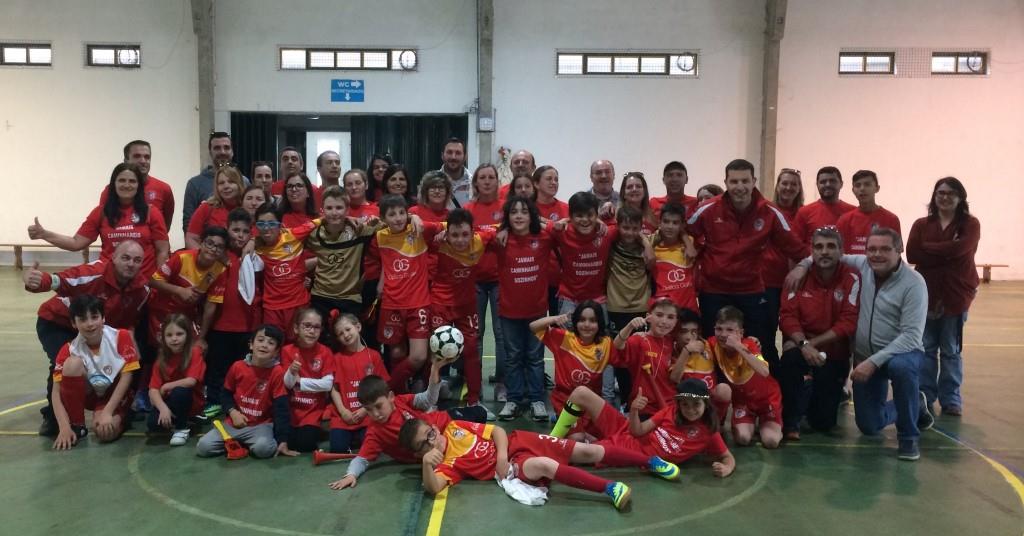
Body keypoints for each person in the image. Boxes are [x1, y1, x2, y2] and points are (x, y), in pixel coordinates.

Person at [787, 227, 931, 460]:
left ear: (900, 249)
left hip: (900, 354)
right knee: (869, 426)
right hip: (865, 357)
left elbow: (912, 336)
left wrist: (872, 362)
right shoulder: (863, 265)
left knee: (901, 369)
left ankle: (908, 438)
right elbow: (827, 254)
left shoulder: (914, 284)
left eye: (885, 249)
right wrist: (802, 266)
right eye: (871, 249)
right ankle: (917, 404)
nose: (877, 255)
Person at [686, 159, 807, 371]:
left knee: (763, 347)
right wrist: (690, 244)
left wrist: (802, 267)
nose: (739, 187)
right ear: (725, 182)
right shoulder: (707, 209)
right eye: (734, 181)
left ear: (754, 181)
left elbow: (798, 249)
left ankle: (771, 400)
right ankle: (716, 399)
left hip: (752, 291)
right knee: (713, 347)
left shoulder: (770, 212)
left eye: (745, 181)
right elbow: (683, 230)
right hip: (714, 291)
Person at [400, 419, 677, 510]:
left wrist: (500, 455)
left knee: (589, 451)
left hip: (518, 442)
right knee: (543, 465)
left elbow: (496, 431)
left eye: (430, 434)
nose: (432, 443)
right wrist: (427, 465)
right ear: (418, 454)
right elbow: (434, 487)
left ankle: (650, 461)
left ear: (434, 427)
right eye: (423, 445)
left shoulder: (453, 427)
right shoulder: (445, 465)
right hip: (515, 466)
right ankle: (610, 489)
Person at [25, 240, 149, 436]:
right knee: (65, 363)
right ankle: (55, 418)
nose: (130, 264)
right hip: (58, 322)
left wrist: (130, 336)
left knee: (130, 361)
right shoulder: (94, 273)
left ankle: (121, 408)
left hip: (92, 326)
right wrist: (40, 281)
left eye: (137, 260)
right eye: (125, 258)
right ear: (113, 257)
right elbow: (62, 280)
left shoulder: (141, 290)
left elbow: (131, 317)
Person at [549, 379, 736, 477]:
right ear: (678, 404)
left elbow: (728, 457)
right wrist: (635, 411)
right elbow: (637, 431)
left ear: (706, 405)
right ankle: (550, 439)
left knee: (573, 451)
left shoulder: (708, 431)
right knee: (581, 393)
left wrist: (727, 468)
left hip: (628, 452)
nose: (690, 410)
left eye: (696, 405)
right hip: (627, 430)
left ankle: (548, 447)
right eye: (685, 405)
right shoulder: (671, 412)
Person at [907, 177, 980, 417]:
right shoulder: (921, 224)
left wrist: (930, 248)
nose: (945, 197)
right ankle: (926, 395)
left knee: (950, 349)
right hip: (926, 293)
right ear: (934, 196)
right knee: (926, 347)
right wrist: (949, 248)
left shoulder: (970, 224)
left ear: (960, 197)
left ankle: (951, 399)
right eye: (940, 192)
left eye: (951, 193)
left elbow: (962, 250)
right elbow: (912, 253)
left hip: (956, 294)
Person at [777, 227, 859, 440]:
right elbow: (787, 317)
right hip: (800, 348)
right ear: (811, 251)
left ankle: (813, 399)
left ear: (841, 251)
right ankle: (791, 421)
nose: (824, 252)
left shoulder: (852, 277)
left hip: (833, 354)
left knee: (823, 423)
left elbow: (848, 322)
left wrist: (810, 344)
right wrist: (803, 345)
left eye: (831, 247)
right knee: (790, 358)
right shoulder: (796, 277)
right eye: (819, 247)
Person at [29, 162, 170, 278]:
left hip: (142, 282)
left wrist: (159, 281)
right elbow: (76, 243)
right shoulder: (101, 212)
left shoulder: (151, 212)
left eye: (132, 181)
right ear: (113, 184)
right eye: (121, 180)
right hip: (109, 281)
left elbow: (163, 250)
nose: (127, 185)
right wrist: (44, 234)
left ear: (138, 186)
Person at [326, 368, 453, 491]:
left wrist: (435, 370)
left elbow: (427, 400)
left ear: (391, 397)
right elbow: (362, 459)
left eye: (378, 406)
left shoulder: (399, 401)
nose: (375, 414)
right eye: (368, 409)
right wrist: (351, 475)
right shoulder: (375, 433)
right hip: (440, 448)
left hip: (448, 421)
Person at [51, 295, 140, 450]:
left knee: (105, 432)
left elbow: (127, 376)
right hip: (93, 394)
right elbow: (56, 392)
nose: (90, 324)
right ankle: (77, 425)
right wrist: (64, 427)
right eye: (83, 319)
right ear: (74, 323)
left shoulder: (121, 336)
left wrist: (107, 412)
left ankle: (124, 413)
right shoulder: (68, 349)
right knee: (72, 365)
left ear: (103, 318)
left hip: (117, 393)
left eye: (94, 317)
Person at [492, 196, 554, 421]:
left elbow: (564, 228)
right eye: (514, 212)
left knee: (535, 358)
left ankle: (537, 399)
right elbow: (478, 230)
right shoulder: (500, 239)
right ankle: (514, 399)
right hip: (509, 312)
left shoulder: (544, 237)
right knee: (513, 357)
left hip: (536, 311)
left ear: (532, 216)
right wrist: (501, 229)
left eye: (524, 212)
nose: (519, 216)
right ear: (507, 217)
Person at [427, 208, 494, 416]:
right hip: (440, 303)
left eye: (465, 234)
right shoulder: (439, 241)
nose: (460, 240)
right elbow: (421, 226)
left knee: (472, 350)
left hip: (467, 305)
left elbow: (501, 227)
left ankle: (473, 400)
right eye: (454, 235)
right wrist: (441, 229)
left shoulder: (482, 239)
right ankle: (432, 401)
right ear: (448, 233)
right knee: (437, 353)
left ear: (472, 232)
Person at [196, 325, 299, 458]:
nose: (264, 345)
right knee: (203, 447)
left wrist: (283, 440)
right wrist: (233, 413)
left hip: (260, 426)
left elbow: (281, 408)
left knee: (264, 450)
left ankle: (242, 444)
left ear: (276, 351)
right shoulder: (237, 367)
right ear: (251, 344)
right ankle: (238, 443)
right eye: (260, 340)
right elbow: (225, 394)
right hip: (233, 423)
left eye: (271, 343)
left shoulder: (277, 372)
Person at [372, 195, 437, 392]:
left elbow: (444, 225)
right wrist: (381, 285)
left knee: (419, 356)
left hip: (418, 303)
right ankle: (401, 397)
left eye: (402, 213)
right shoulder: (380, 236)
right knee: (396, 354)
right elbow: (387, 262)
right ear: (384, 218)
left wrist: (416, 218)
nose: (398, 218)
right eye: (392, 214)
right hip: (391, 303)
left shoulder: (418, 231)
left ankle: (388, 390)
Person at [202, 209, 259, 418]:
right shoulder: (219, 256)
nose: (240, 235)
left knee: (244, 367)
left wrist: (254, 243)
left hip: (248, 324)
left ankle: (240, 401)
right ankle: (214, 400)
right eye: (236, 230)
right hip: (221, 325)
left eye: (245, 231)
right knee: (218, 367)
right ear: (228, 230)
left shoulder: (255, 254)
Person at [531, 301, 615, 435]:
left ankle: (563, 426)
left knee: (597, 441)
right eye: (582, 320)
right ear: (575, 322)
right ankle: (561, 424)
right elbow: (533, 326)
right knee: (578, 439)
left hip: (589, 404)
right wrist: (554, 319)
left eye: (592, 320)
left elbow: (624, 354)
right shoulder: (564, 339)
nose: (587, 324)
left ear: (599, 323)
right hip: (565, 401)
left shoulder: (606, 344)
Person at [707, 306, 783, 448]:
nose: (723, 334)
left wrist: (739, 347)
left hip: (767, 400)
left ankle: (768, 422)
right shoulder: (713, 343)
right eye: (719, 329)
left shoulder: (749, 344)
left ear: (741, 333)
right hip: (743, 402)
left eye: (730, 330)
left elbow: (764, 371)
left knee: (771, 442)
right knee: (742, 439)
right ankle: (749, 423)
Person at [464, 164, 508, 401]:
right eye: (483, 177)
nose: (488, 181)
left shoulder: (506, 209)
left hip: (501, 279)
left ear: (497, 181)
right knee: (476, 333)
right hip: (474, 280)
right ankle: (475, 385)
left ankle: (502, 383)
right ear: (476, 182)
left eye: (492, 177)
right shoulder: (469, 209)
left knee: (500, 334)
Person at [148, 226, 229, 345]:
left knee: (196, 349)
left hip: (186, 314)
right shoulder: (181, 257)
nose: (213, 249)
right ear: (201, 243)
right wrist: (179, 291)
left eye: (219, 247)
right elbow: (153, 281)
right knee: (166, 349)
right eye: (209, 243)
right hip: (161, 310)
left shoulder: (220, 271)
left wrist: (201, 338)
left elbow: (210, 306)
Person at [305, 186, 376, 320]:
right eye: (329, 208)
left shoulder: (359, 230)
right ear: (322, 211)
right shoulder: (313, 234)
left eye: (339, 208)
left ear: (347, 210)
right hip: (320, 297)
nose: (334, 212)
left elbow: (392, 225)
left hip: (350, 298)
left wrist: (412, 217)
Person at [760, 168, 805, 374]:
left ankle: (792, 376)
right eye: (784, 183)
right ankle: (772, 377)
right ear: (777, 186)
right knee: (766, 333)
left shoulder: (804, 215)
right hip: (767, 282)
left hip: (797, 284)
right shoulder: (765, 211)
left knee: (792, 333)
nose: (788, 187)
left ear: (799, 188)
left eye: (793, 184)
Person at [253, 203, 320, 334]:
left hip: (299, 304)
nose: (266, 228)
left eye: (271, 223)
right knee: (273, 347)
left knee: (300, 345)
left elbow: (321, 220)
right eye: (261, 224)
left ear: (280, 224)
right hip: (272, 308)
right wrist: (250, 242)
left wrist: (350, 219)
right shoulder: (256, 245)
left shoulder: (293, 235)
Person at [329, 313, 388, 453]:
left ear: (358, 327)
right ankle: (350, 438)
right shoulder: (336, 358)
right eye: (340, 333)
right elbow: (334, 388)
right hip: (344, 416)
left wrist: (366, 409)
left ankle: (357, 438)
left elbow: (383, 385)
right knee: (337, 448)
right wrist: (343, 411)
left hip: (368, 414)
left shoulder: (373, 355)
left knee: (372, 444)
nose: (346, 335)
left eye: (348, 329)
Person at [611, 298, 679, 418]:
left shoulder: (672, 342)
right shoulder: (639, 339)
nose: (664, 321)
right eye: (659, 315)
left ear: (676, 321)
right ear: (649, 316)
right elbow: (617, 346)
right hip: (644, 406)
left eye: (670, 317)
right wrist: (630, 326)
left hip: (672, 405)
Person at [281, 308, 335, 452]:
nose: (312, 331)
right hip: (291, 408)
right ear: (296, 328)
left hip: (313, 409)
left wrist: (301, 382)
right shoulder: (287, 351)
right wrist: (292, 372)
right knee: (287, 441)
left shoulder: (325, 352)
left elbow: (327, 384)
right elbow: (287, 383)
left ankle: (322, 425)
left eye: (316, 327)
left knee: (306, 444)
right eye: (307, 326)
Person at [148, 314, 206, 446]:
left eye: (179, 334)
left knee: (180, 392)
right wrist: (163, 408)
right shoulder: (161, 359)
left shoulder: (195, 352)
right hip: (170, 400)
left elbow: (191, 381)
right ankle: (179, 418)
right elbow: (153, 390)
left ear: (188, 335)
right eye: (169, 335)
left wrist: (167, 386)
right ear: (163, 338)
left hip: (190, 399)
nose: (174, 339)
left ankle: (181, 428)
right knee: (153, 424)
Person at [99, 140, 175, 229]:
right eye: (137, 156)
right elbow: (103, 223)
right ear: (126, 160)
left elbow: (165, 226)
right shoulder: (111, 190)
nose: (143, 161)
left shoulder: (164, 189)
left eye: (147, 157)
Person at [183, 132, 241, 234]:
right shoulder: (195, 184)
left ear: (232, 152)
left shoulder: (244, 181)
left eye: (226, 147)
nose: (222, 152)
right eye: (217, 148)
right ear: (210, 152)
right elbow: (188, 224)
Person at [837, 169, 902, 254]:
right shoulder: (844, 220)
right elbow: (838, 252)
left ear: (877, 188)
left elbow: (897, 253)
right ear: (853, 190)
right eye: (858, 185)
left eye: (867, 184)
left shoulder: (892, 219)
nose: (862, 189)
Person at [532, 165, 568, 316]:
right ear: (536, 183)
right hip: (533, 277)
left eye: (556, 179)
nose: (554, 182)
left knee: (558, 326)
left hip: (558, 278)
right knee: (536, 328)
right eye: (548, 179)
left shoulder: (566, 208)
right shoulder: (527, 209)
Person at [650, 203, 698, 313]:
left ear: (682, 226)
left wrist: (686, 241)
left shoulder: (689, 242)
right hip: (664, 311)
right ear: (659, 223)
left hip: (689, 308)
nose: (670, 226)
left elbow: (692, 250)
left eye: (675, 223)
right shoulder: (652, 247)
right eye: (666, 222)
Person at [186, 165, 245, 249]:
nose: (226, 186)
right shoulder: (206, 207)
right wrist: (206, 257)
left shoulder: (247, 207)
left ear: (239, 184)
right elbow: (191, 239)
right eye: (221, 183)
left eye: (231, 182)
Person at [793, 166, 855, 244]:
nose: (828, 184)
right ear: (817, 185)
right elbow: (796, 244)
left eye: (832, 181)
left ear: (841, 184)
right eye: (823, 182)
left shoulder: (852, 211)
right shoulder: (804, 212)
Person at [440, 138, 472, 207]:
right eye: (449, 152)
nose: (453, 157)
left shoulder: (474, 183)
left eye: (458, 153)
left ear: (465, 157)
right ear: (442, 155)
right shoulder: (431, 183)